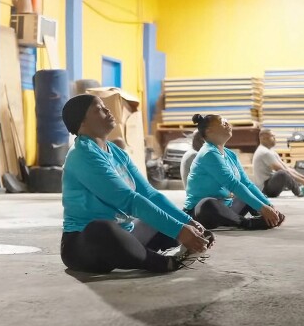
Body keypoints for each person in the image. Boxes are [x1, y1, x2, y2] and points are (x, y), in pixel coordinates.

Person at [60, 94, 212, 274]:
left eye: (104, 106)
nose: (107, 110)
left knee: (160, 217)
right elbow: (128, 200)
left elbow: (149, 193)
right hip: (84, 245)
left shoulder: (115, 151)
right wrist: (179, 231)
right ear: (82, 123)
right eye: (98, 109)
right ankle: (160, 262)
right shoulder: (83, 154)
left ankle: (142, 252)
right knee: (101, 228)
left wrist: (189, 223)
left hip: (126, 234)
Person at [184, 114, 285, 230]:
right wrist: (263, 208)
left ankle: (264, 218)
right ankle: (247, 223)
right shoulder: (208, 153)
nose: (228, 125)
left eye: (228, 122)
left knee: (247, 194)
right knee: (207, 204)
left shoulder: (230, 154)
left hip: (227, 210)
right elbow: (232, 183)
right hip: (201, 214)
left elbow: (247, 183)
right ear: (209, 131)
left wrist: (269, 206)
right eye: (223, 123)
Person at [252, 128, 304, 197]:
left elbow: (286, 167)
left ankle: (302, 185)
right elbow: (282, 170)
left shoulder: (271, 151)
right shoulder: (264, 152)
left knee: (289, 169)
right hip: (265, 189)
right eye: (272, 136)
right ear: (263, 139)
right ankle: (298, 191)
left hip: (270, 184)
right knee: (282, 173)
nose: (275, 139)